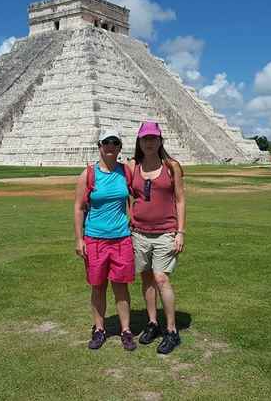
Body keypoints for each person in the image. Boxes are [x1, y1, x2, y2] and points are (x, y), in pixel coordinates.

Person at [73, 128, 137, 351]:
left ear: (120, 147)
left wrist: (132, 217)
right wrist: (79, 239)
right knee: (98, 286)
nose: (111, 146)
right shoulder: (88, 174)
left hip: (121, 238)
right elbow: (79, 208)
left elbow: (135, 197)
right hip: (95, 239)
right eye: (106, 143)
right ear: (99, 146)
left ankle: (126, 330)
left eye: (115, 143)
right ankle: (99, 329)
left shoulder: (126, 172)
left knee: (121, 287)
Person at [128, 122, 186, 354]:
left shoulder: (172, 166)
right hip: (139, 232)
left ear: (160, 140)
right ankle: (152, 323)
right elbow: (125, 194)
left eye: (153, 138)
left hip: (165, 232)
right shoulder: (133, 166)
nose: (149, 142)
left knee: (161, 278)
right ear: (139, 142)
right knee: (146, 279)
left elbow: (180, 199)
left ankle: (172, 330)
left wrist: (180, 232)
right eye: (145, 139)